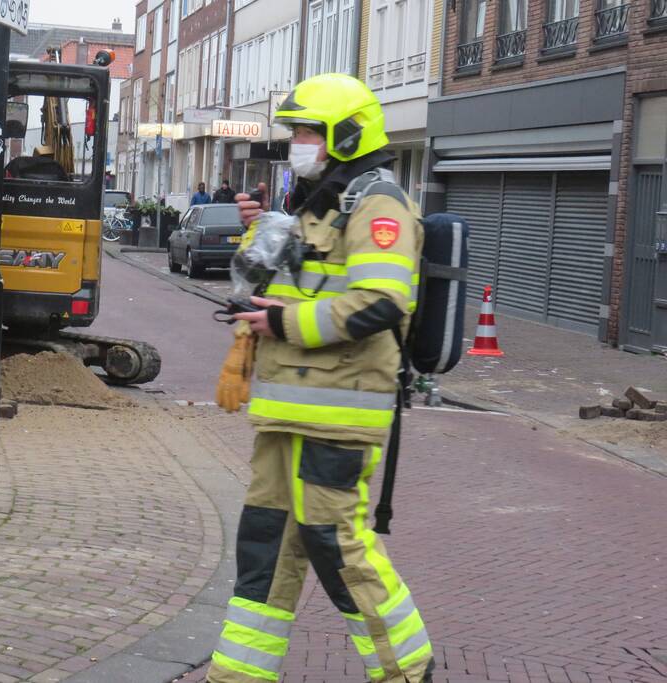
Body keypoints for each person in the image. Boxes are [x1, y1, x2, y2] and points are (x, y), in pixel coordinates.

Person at [209, 73, 433, 683]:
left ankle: (407, 671)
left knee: (337, 545)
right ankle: (237, 675)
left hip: (339, 411)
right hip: (286, 412)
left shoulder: (378, 203)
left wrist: (282, 324)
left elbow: (381, 302)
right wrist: (261, 234)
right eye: (296, 130)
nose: (298, 142)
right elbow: (271, 284)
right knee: (264, 547)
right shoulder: (317, 204)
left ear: (347, 133)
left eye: (309, 130)